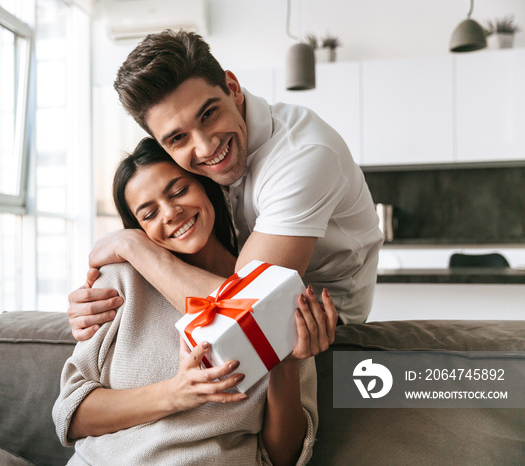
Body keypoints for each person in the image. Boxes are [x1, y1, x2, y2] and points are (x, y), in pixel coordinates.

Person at [68, 29, 382, 340]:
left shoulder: (303, 155)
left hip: (328, 327)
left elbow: (242, 312)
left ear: (232, 88)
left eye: (208, 114)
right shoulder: (194, 166)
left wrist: (132, 245)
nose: (205, 148)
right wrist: (91, 306)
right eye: (178, 137)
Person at [54, 138, 337, 465]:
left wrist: (285, 362)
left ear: (205, 186)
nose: (171, 213)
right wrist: (174, 394)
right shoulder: (122, 282)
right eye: (149, 213)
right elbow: (70, 415)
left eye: (178, 191)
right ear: (139, 229)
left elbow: (283, 458)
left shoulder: (275, 297)